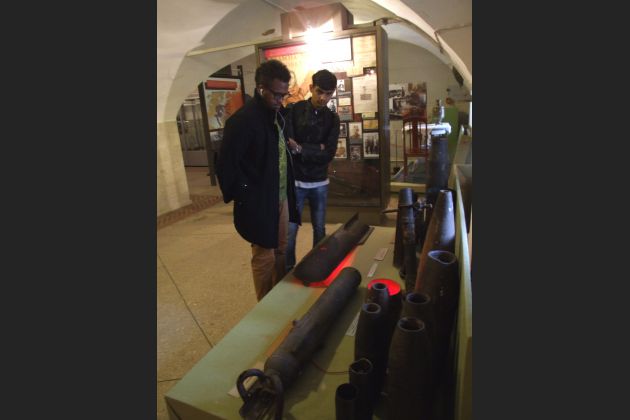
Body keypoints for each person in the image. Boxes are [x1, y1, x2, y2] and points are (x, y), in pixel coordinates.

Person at [216, 59, 300, 301]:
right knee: (264, 255)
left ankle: (278, 298)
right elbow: (226, 166)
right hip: (258, 201)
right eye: (277, 94)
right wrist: (247, 194)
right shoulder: (242, 121)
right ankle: (264, 304)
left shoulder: (277, 116)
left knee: (281, 249)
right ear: (261, 88)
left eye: (284, 94)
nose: (281, 100)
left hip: (280, 196)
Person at [285, 69, 340, 272]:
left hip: (320, 181)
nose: (323, 98)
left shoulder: (333, 118)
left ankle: (318, 266)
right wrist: (317, 148)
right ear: (311, 88)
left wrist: (301, 148)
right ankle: (288, 269)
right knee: (290, 230)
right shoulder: (294, 110)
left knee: (319, 228)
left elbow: (329, 153)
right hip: (296, 180)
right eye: (319, 92)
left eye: (328, 93)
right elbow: (289, 146)